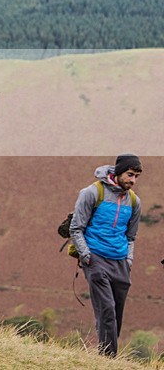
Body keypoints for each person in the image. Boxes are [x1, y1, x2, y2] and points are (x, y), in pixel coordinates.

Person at [70, 153, 142, 357]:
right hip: (96, 258)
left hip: (120, 262)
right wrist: (86, 256)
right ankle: (109, 358)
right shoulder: (92, 192)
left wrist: (128, 260)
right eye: (130, 174)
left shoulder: (135, 202)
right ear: (118, 172)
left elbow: (131, 237)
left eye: (136, 176)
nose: (132, 180)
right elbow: (76, 228)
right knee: (107, 309)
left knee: (115, 313)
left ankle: (105, 354)